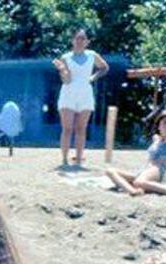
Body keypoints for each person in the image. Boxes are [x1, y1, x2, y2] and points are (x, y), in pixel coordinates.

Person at [53, 29, 109, 167]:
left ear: (87, 41)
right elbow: (66, 80)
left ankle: (78, 159)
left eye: (83, 38)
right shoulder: (65, 57)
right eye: (77, 38)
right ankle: (65, 160)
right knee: (67, 128)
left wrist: (92, 77)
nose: (79, 41)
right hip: (68, 95)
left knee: (81, 129)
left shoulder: (92, 55)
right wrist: (62, 70)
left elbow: (104, 67)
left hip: (85, 94)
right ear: (72, 40)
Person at [105, 109, 166, 197]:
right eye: (165, 122)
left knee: (138, 182)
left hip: (158, 171)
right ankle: (133, 191)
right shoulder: (156, 138)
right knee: (110, 171)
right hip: (145, 170)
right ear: (159, 126)